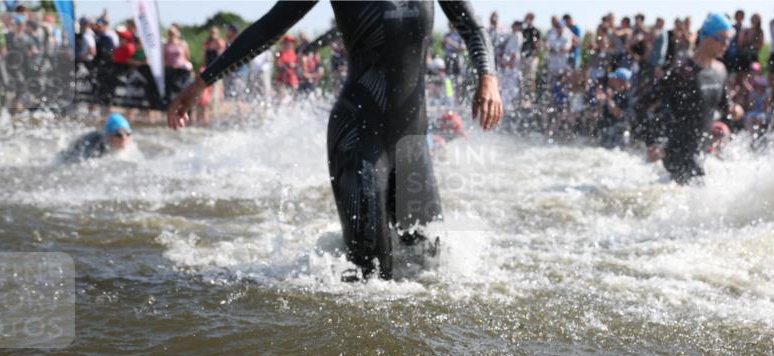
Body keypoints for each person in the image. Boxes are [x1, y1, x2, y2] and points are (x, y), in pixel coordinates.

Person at [167, 1, 502, 281]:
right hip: (358, 139)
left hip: (412, 145)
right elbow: (268, 28)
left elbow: (473, 27)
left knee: (431, 270)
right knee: (371, 282)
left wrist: (488, 77)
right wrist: (202, 82)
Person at [636, 13, 744, 183]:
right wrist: (651, 143)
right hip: (677, 155)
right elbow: (641, 104)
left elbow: (724, 106)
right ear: (707, 37)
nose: (726, 44)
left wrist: (734, 109)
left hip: (702, 152)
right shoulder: (682, 72)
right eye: (722, 39)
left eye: (728, 40)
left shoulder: (720, 71)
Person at [62, 112, 134, 162]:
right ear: (110, 136)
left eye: (128, 133)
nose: (124, 138)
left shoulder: (131, 147)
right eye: (119, 134)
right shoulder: (96, 147)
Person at [520, 12, 540, 107]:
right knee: (523, 78)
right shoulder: (523, 30)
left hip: (532, 58)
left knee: (531, 78)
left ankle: (531, 98)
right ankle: (524, 98)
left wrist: (536, 56)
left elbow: (538, 45)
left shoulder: (536, 30)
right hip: (524, 57)